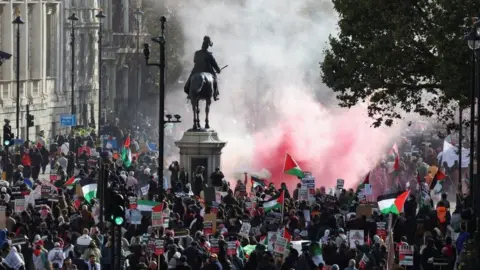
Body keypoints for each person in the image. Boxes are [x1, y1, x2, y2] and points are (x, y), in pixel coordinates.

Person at [184, 36, 222, 101]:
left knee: (188, 84)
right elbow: (215, 65)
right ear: (207, 46)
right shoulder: (209, 55)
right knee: (215, 80)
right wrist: (218, 70)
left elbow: (195, 61)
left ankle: (189, 94)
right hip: (208, 72)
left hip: (196, 71)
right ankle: (215, 95)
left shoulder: (197, 53)